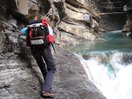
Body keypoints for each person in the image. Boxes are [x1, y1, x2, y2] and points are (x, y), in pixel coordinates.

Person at [20, 6, 56, 98]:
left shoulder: (31, 27)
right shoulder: (46, 27)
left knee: (42, 66)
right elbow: (50, 39)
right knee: (52, 68)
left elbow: (22, 31)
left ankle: (46, 85)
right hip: (44, 49)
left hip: (34, 49)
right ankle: (46, 90)